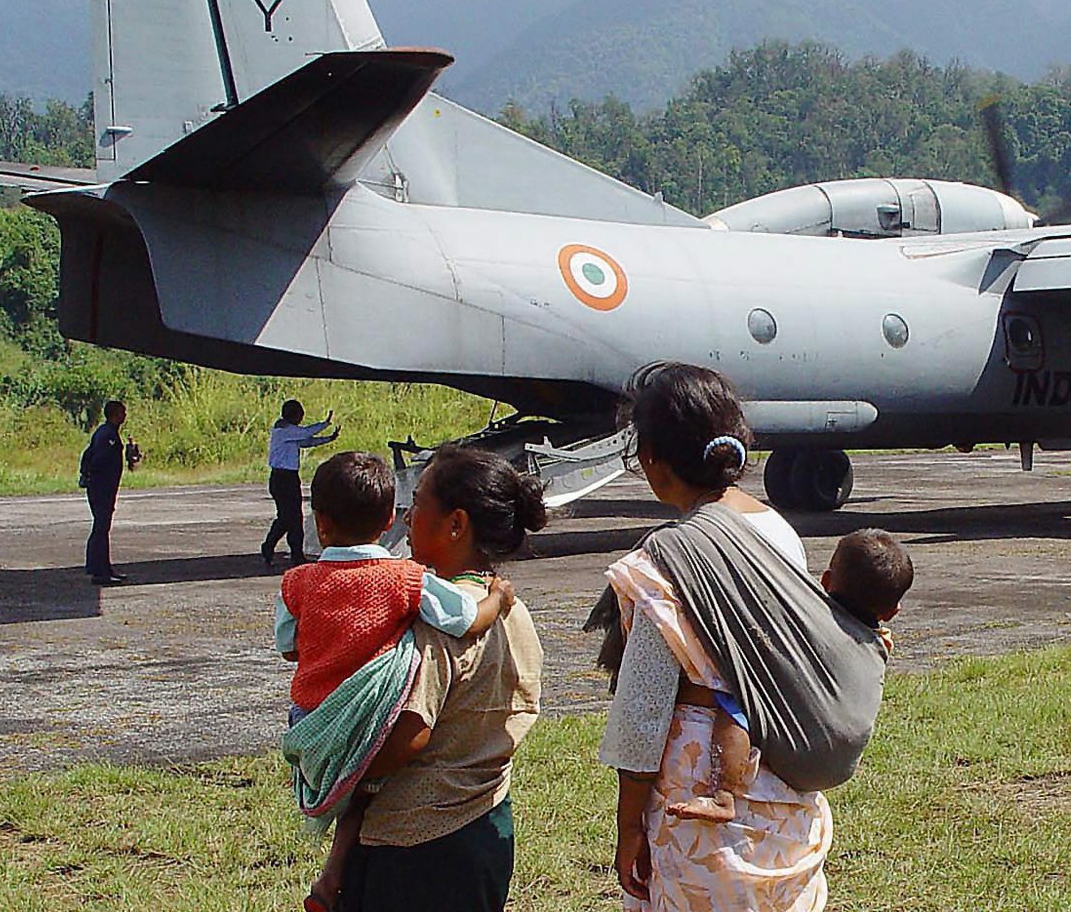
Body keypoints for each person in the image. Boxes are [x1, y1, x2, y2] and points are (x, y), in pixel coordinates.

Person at [593, 362, 893, 912]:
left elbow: (642, 712)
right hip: (780, 776)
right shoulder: (777, 530)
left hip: (699, 795)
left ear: (651, 460)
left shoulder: (664, 559)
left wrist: (628, 826)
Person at [275, 451, 514, 912]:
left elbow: (290, 644)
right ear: (387, 522)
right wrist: (498, 599)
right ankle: (332, 876)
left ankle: (330, 877)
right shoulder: (409, 584)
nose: (408, 515)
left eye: (418, 502)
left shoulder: (298, 582)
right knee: (363, 797)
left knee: (356, 800)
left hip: (314, 720)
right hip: (478, 819)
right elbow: (468, 619)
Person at [332, 447, 546, 912]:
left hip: (416, 845)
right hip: (487, 825)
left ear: (456, 525)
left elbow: (411, 733)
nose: (408, 517)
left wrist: (342, 770)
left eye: (419, 501)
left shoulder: (435, 628)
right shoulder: (512, 608)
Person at [669, 527, 913, 824]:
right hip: (841, 764)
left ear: (824, 581)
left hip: (800, 758)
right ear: (893, 612)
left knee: (737, 700)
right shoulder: (878, 643)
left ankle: (724, 795)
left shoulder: (811, 624)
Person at [266, 399, 338, 567]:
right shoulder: (283, 431)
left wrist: (328, 438)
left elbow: (307, 441)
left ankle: (290, 552)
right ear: (294, 416)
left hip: (287, 478)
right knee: (289, 517)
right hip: (283, 479)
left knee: (290, 517)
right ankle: (274, 547)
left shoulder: (288, 432)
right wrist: (325, 423)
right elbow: (306, 433)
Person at [78, 399, 139, 585]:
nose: (125, 416)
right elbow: (98, 460)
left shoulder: (105, 433)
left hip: (102, 487)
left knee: (101, 527)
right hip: (102, 488)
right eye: (122, 413)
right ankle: (100, 572)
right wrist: (99, 480)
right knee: (101, 528)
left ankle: (101, 566)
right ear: (115, 415)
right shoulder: (108, 436)